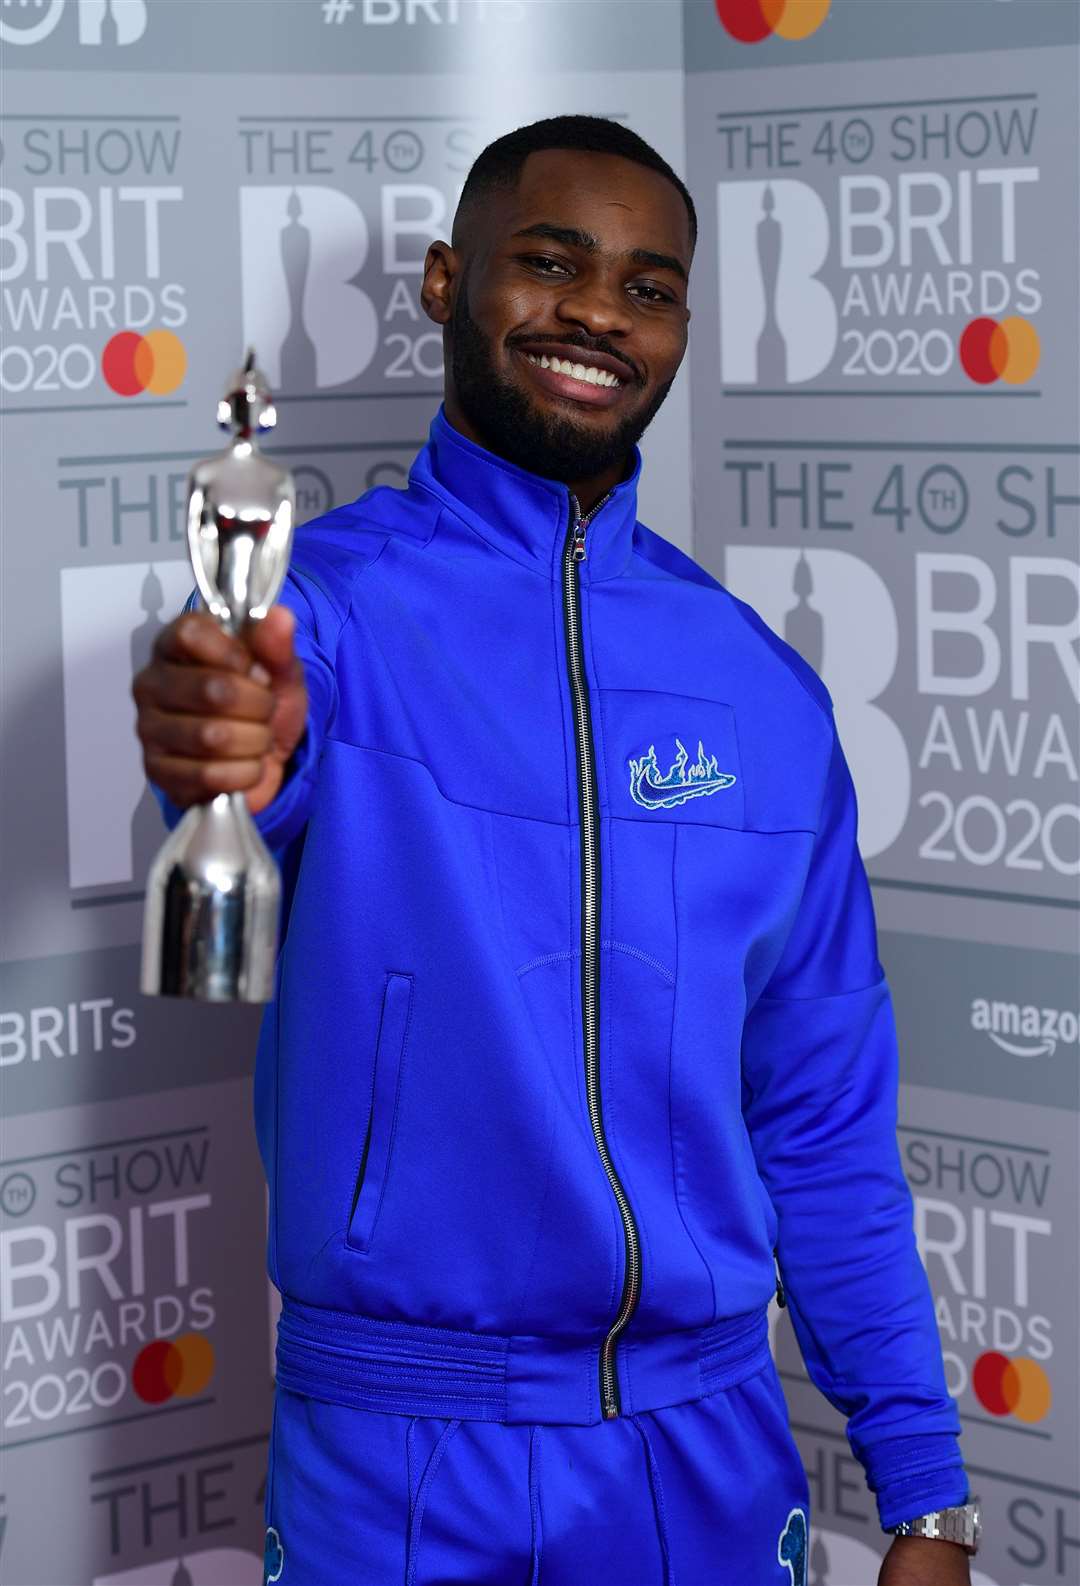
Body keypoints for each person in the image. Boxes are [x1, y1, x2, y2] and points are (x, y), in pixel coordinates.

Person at [134, 116, 979, 1586]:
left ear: (683, 332)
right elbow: (239, 764)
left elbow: (825, 1121)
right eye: (551, 262)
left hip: (704, 1452)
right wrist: (218, 734)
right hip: (395, 1454)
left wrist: (924, 1484)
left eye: (650, 287)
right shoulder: (324, 615)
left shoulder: (761, 694)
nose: (598, 310)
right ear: (450, 281)